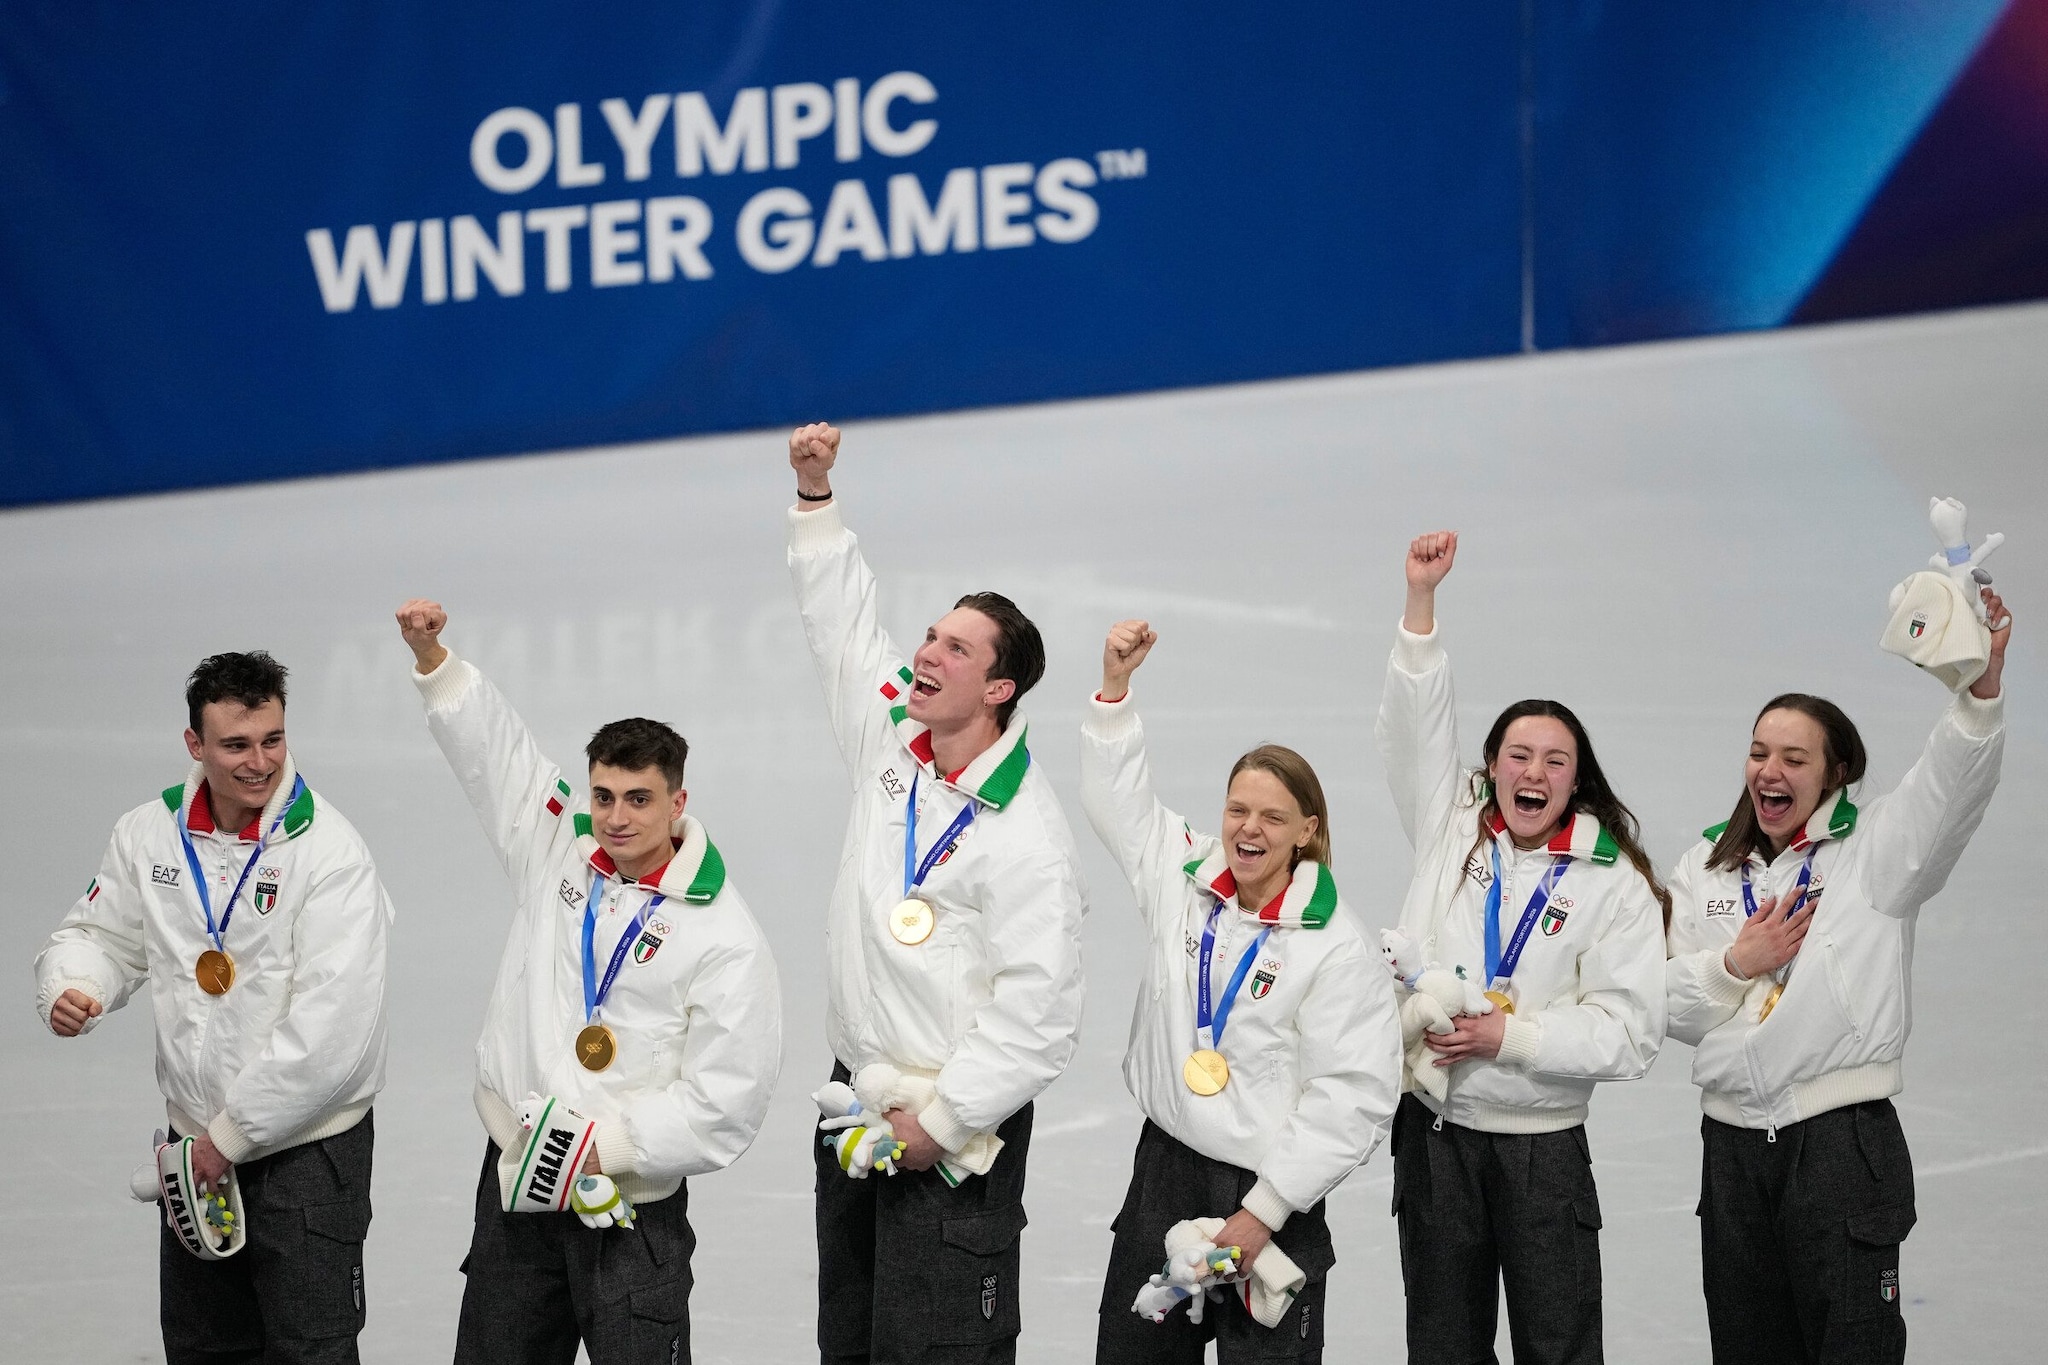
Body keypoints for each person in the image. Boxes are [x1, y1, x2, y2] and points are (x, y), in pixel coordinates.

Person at [396, 599, 782, 1365]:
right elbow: (496, 757)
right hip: (517, 1189)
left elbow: (728, 1099)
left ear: (678, 801)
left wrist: (606, 1146)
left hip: (631, 1211)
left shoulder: (725, 936)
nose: (614, 817)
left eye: (639, 799)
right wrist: (437, 664)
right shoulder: (558, 854)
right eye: (603, 795)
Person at [785, 422, 1088, 1364]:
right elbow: (842, 631)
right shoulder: (893, 744)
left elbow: (1039, 1012)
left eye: (956, 647)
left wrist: (944, 1121)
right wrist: (815, 498)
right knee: (854, 1335)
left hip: (954, 1131)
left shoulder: (1028, 835)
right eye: (930, 633)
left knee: (944, 1349)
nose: (926, 651)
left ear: (998, 688)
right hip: (857, 1101)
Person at [1663, 585, 2010, 1364]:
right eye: (1759, 752)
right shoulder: (1705, 867)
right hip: (1731, 1150)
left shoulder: (1876, 853)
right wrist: (1733, 965)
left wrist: (1979, 690)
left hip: (1839, 1143)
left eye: (1794, 756)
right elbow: (1668, 1005)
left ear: (1835, 771)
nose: (1770, 769)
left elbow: (1949, 788)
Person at [34, 651, 393, 1363]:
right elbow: (100, 934)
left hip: (306, 1153)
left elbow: (329, 1036)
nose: (259, 762)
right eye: (235, 744)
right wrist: (77, 985)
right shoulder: (149, 832)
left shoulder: (331, 853)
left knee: (310, 1351)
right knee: (204, 1347)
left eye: (273, 739)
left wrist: (222, 1141)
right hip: (193, 1144)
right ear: (194, 743)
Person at [1375, 532, 1667, 1365]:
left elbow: (1632, 1029)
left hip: (1544, 1147)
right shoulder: (1450, 830)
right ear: (1493, 768)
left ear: (1577, 780)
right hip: (1434, 1134)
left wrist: (1514, 1036)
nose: (1532, 771)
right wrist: (1420, 608)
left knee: (1559, 1348)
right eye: (1517, 754)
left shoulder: (1613, 882)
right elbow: (1414, 731)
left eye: (1554, 760)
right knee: (1442, 1346)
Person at [1081, 619, 1402, 1363]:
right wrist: (1115, 694)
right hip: (1163, 1170)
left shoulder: (1336, 945)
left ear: (1307, 831)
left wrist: (1264, 1210)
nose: (1248, 829)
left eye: (1272, 817)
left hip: (1269, 1189)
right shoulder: (1185, 878)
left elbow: (1351, 1094)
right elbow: (1118, 804)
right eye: (1237, 809)